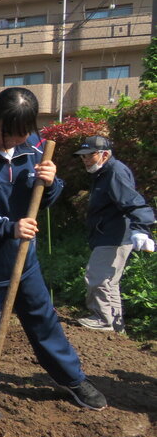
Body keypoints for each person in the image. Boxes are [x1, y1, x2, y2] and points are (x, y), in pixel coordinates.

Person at [0, 87, 107, 416]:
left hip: (23, 258)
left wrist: (51, 183)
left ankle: (72, 379)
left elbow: (44, 199)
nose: (14, 141)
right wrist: (9, 227)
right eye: (8, 133)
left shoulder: (35, 148)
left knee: (44, 321)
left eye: (22, 135)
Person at [73, 135, 155, 332]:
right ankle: (116, 327)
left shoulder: (114, 172)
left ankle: (103, 319)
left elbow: (132, 201)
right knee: (110, 282)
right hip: (108, 234)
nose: (85, 160)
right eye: (82, 156)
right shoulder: (103, 173)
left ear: (104, 154)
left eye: (89, 155)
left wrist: (141, 229)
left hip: (114, 236)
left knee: (98, 277)